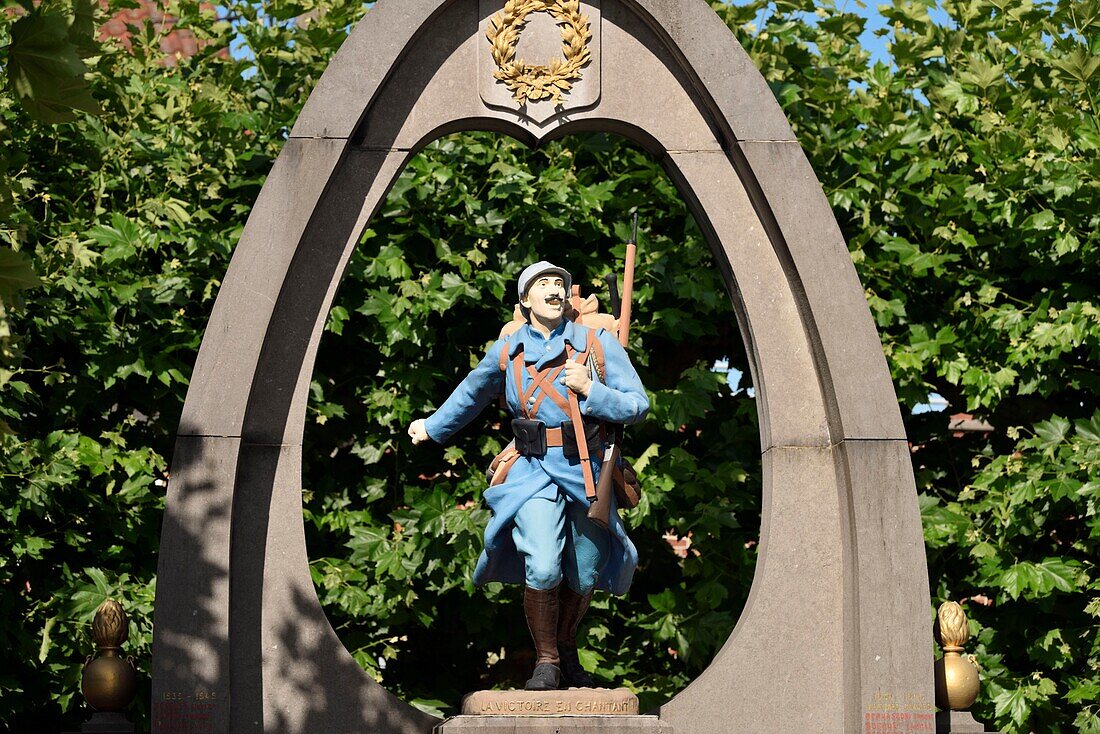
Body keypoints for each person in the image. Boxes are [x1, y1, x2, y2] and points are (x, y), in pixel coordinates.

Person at [408, 260, 649, 690]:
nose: (555, 291)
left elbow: (637, 405)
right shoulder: (508, 350)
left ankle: (566, 646)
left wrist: (593, 391)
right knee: (540, 563)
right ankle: (547, 660)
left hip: (586, 472)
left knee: (585, 571)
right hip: (532, 470)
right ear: (526, 299)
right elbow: (471, 392)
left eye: (560, 284)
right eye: (544, 285)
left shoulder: (596, 344)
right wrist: (432, 425)